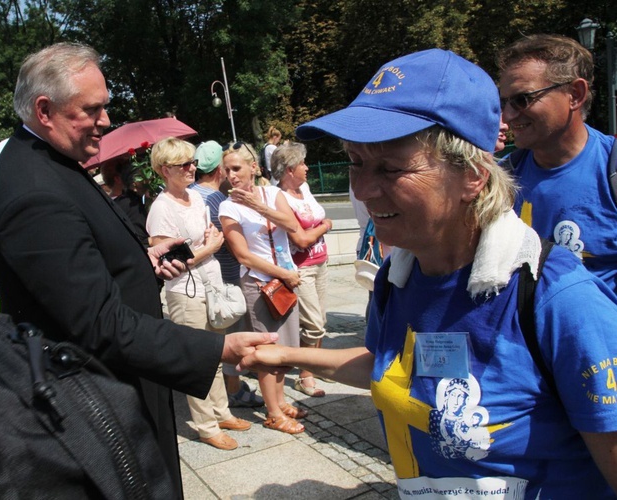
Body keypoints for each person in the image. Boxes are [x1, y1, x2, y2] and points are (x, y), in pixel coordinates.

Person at [239, 48, 617, 497]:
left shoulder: (559, 299)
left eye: (391, 167)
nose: (362, 189)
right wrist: (284, 356)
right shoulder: (396, 281)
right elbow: (393, 367)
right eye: (356, 162)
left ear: (474, 175)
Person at [0, 42, 275, 495]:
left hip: (120, 374)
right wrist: (217, 349)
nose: (105, 121)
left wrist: (143, 259)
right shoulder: (34, 193)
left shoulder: (49, 162)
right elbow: (97, 323)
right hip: (100, 391)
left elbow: (76, 266)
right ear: (44, 110)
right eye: (92, 109)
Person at [145, 137, 251, 451]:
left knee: (215, 353)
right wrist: (211, 247)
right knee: (196, 359)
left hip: (209, 284)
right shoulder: (161, 208)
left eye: (193, 162)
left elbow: (210, 236)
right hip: (185, 290)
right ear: (165, 170)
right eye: (184, 164)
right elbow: (170, 262)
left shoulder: (196, 198)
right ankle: (206, 426)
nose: (192, 168)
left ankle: (221, 412)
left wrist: (209, 243)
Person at [498, 34, 617, 292]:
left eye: (522, 99)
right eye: (504, 102)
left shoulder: (611, 169)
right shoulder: (502, 179)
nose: (507, 116)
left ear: (575, 94)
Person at [218, 141, 307, 434]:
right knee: (268, 349)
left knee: (285, 348)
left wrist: (257, 205)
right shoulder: (227, 206)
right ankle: (273, 413)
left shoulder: (272, 193)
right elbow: (243, 255)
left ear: (253, 168)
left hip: (285, 281)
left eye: (237, 168)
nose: (231, 175)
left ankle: (280, 402)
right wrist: (283, 273)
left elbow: (292, 225)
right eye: (227, 170)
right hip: (259, 283)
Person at [190, 140, 264, 408]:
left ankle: (225, 386)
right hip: (228, 275)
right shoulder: (218, 200)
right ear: (220, 170)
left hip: (203, 277)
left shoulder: (190, 193)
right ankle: (234, 389)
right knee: (232, 334)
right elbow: (235, 246)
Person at [270, 142, 333, 397]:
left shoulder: (304, 188)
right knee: (314, 324)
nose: (307, 168)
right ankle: (305, 376)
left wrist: (317, 228)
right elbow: (301, 239)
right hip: (301, 268)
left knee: (322, 321)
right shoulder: (279, 197)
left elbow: (312, 224)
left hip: (321, 262)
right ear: (289, 170)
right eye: (303, 164)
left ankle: (314, 367)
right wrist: (326, 226)